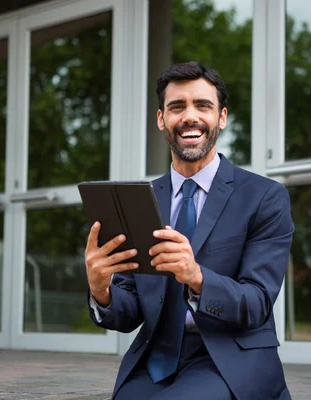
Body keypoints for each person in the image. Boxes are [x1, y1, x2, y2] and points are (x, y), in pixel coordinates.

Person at [85, 61, 294, 400]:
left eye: (203, 106)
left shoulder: (264, 197)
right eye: (177, 107)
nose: (189, 116)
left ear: (221, 118)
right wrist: (101, 290)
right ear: (161, 119)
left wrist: (197, 276)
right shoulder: (139, 200)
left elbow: (256, 303)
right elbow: (129, 313)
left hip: (228, 358)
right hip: (156, 359)